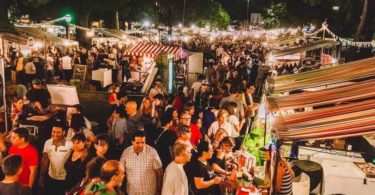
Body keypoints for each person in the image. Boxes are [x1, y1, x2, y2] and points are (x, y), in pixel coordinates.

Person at [120, 130, 163, 195]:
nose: (140, 145)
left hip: (149, 191)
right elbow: (120, 172)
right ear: (132, 141)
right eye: (137, 143)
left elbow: (159, 173)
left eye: (143, 142)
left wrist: (158, 191)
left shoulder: (152, 152)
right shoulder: (126, 152)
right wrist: (119, 189)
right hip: (132, 192)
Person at [39, 125, 73, 195]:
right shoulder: (48, 142)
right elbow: (44, 160)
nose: (55, 134)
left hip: (65, 178)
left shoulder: (70, 144)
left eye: (58, 132)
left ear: (64, 132)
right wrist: (41, 177)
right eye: (53, 132)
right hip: (51, 177)